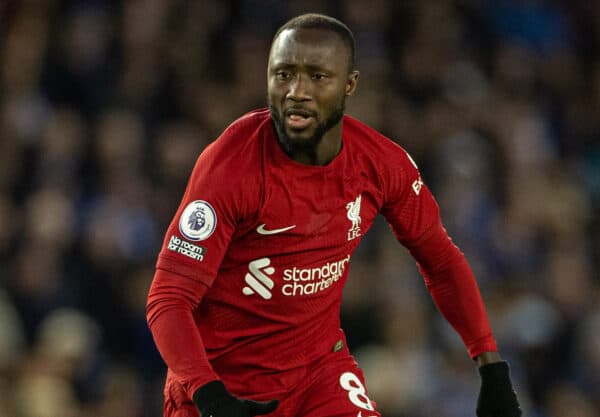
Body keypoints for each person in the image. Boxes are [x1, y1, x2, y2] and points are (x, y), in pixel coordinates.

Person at [146, 13, 522, 417]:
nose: (297, 91)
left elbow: (441, 259)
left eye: (317, 76)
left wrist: (490, 364)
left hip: (318, 375)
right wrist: (209, 394)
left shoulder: (379, 164)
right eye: (283, 74)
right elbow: (168, 299)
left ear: (350, 84)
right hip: (227, 391)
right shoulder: (230, 166)